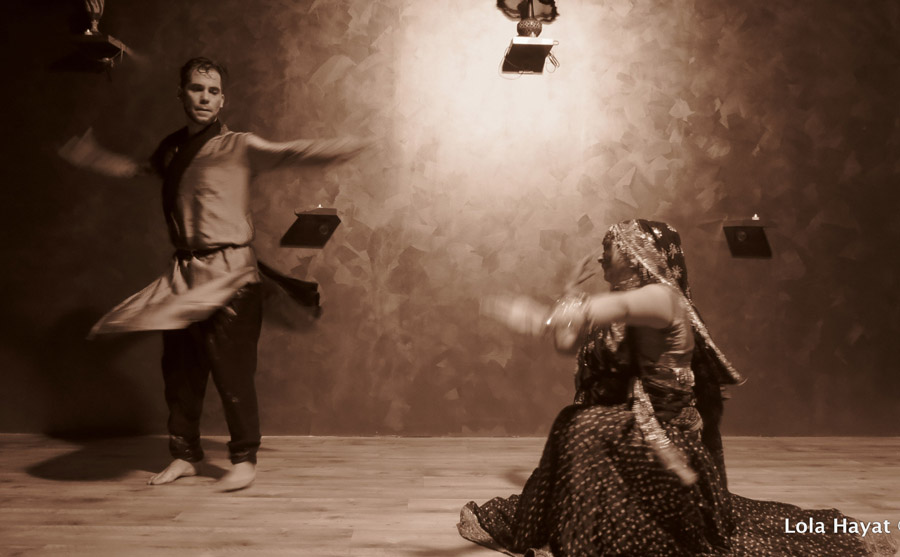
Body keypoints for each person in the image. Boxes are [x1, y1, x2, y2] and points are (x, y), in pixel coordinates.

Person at [458, 219, 897, 556]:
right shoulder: (617, 309)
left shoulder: (661, 299)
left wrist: (539, 314)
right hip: (629, 430)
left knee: (583, 429)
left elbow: (575, 317)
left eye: (609, 249)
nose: (601, 258)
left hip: (664, 440)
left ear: (636, 254)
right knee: (577, 422)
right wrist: (567, 296)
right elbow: (565, 341)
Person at [58, 57, 366, 491]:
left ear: (223, 100)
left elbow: (289, 152)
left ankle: (244, 460)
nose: (204, 97)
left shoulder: (238, 145)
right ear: (181, 93)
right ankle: (184, 455)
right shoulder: (171, 149)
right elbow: (139, 169)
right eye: (197, 88)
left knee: (232, 372)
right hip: (185, 278)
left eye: (213, 91)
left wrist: (338, 147)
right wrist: (94, 158)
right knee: (180, 372)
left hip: (232, 276)